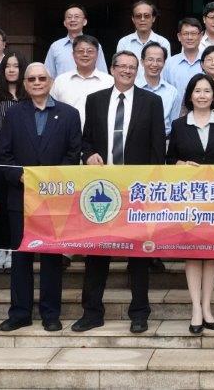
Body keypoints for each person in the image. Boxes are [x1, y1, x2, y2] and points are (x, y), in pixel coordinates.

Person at [77, 51, 166, 334]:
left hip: (136, 191)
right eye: (122, 67)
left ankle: (139, 313)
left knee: (138, 256)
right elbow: (86, 139)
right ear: (112, 69)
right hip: (103, 188)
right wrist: (88, 153)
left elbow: (157, 149)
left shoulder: (152, 102)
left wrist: (150, 188)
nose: (127, 71)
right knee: (97, 253)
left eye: (132, 67)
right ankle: (92, 312)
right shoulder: (96, 100)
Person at [0, 63, 82, 332]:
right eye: (31, 79)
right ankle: (19, 312)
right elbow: (4, 154)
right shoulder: (13, 114)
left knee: (51, 258)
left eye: (41, 78)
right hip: (20, 197)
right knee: (20, 257)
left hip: (54, 199)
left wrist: (52, 181)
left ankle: (50, 313)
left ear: (51, 81)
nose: (36, 82)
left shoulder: (69, 114)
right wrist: (21, 177)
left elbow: (73, 153)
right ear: (24, 83)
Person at [167, 73, 214, 335]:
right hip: (189, 201)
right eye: (197, 91)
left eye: (207, 91)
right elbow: (169, 159)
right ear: (190, 95)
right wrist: (180, 165)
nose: (202, 95)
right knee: (193, 253)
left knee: (212, 255)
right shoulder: (178, 125)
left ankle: (207, 307)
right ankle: (195, 307)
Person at [0, 51, 28, 271]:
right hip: (1, 157)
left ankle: (16, 247)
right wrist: (4, 152)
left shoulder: (28, 92)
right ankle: (1, 249)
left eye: (16, 66)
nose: (11, 69)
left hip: (25, 158)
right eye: (7, 66)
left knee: (19, 207)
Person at [50, 35, 114, 128]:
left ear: (97, 54)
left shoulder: (109, 81)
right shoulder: (61, 81)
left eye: (90, 51)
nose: (85, 54)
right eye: (80, 51)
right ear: (73, 55)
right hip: (66, 135)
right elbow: (52, 110)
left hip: (98, 136)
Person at [45, 4, 108, 78]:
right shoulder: (55, 46)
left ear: (84, 21)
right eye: (69, 17)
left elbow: (103, 73)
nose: (72, 20)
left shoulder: (94, 45)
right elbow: (48, 75)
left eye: (76, 17)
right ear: (65, 23)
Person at [138, 41, 180, 136]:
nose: (154, 64)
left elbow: (175, 124)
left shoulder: (172, 92)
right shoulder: (133, 87)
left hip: (164, 141)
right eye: (150, 59)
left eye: (159, 60)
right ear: (142, 61)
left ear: (164, 63)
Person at [163, 17, 205, 105]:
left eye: (193, 33)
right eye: (186, 34)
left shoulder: (208, 62)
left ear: (201, 36)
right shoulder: (169, 63)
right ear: (179, 36)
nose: (189, 37)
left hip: (204, 115)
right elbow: (164, 92)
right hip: (176, 116)